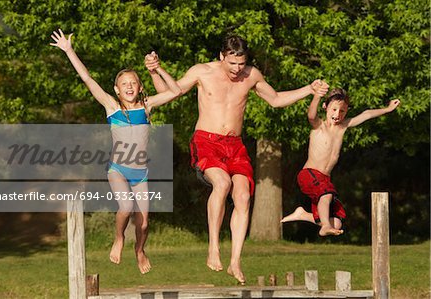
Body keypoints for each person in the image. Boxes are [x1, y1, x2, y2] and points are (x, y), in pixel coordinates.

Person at [145, 35, 328, 284]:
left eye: (241, 64)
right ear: (222, 56)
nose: (236, 69)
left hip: (235, 146)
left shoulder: (251, 75)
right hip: (206, 141)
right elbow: (170, 93)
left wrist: (309, 89)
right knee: (222, 184)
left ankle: (235, 261)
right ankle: (213, 248)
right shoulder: (202, 72)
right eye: (232, 63)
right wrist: (155, 72)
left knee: (243, 196)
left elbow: (275, 100)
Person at [50, 29, 181, 274]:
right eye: (124, 84)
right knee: (126, 207)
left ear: (140, 86)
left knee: (143, 225)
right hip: (118, 170)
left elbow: (175, 91)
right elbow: (88, 79)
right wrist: (69, 51)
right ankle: (119, 238)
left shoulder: (147, 106)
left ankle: (140, 250)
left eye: (133, 83)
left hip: (140, 172)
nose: (129, 87)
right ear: (117, 89)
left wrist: (157, 70)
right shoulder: (111, 106)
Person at [281, 87, 400, 236]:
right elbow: (311, 115)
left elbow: (367, 114)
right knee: (326, 195)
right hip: (309, 175)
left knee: (336, 222)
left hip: (324, 180)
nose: (337, 115)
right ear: (325, 107)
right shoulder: (319, 127)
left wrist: (387, 109)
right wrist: (317, 96)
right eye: (334, 109)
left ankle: (303, 215)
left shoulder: (343, 127)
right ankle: (324, 226)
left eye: (342, 111)